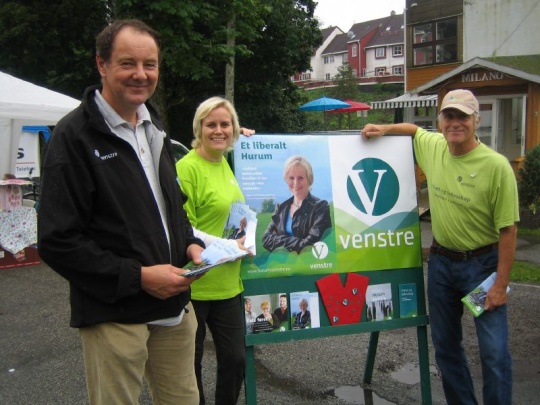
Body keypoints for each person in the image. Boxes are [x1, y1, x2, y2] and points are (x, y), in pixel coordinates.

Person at [37, 19, 205, 405]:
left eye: (151, 64)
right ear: (102, 65)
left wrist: (192, 245)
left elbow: (171, 205)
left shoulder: (154, 125)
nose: (141, 75)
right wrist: (139, 277)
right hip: (114, 314)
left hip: (174, 309)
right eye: (128, 63)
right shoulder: (73, 136)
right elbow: (57, 241)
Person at [362, 89, 519, 405]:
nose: (455, 123)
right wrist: (383, 129)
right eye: (450, 116)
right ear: (441, 121)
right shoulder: (434, 146)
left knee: (493, 352)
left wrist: (501, 284)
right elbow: (413, 130)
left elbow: (508, 230)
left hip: (482, 267)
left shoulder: (496, 166)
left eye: (463, 116)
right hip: (442, 265)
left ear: (476, 120)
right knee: (446, 347)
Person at [175, 96, 251, 405]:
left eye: (225, 124)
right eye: (211, 124)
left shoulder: (227, 164)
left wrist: (246, 242)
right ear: (199, 128)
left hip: (228, 284)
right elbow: (182, 225)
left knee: (235, 361)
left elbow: (235, 218)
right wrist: (228, 245)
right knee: (188, 369)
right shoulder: (186, 168)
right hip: (194, 285)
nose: (218, 130)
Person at [262, 155, 332, 253]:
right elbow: (266, 239)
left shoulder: (320, 207)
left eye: (300, 178)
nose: (295, 183)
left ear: (309, 179)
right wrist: (296, 241)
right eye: (291, 178)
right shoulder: (281, 208)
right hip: (283, 266)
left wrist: (280, 240)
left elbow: (310, 245)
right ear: (286, 180)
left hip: (310, 265)